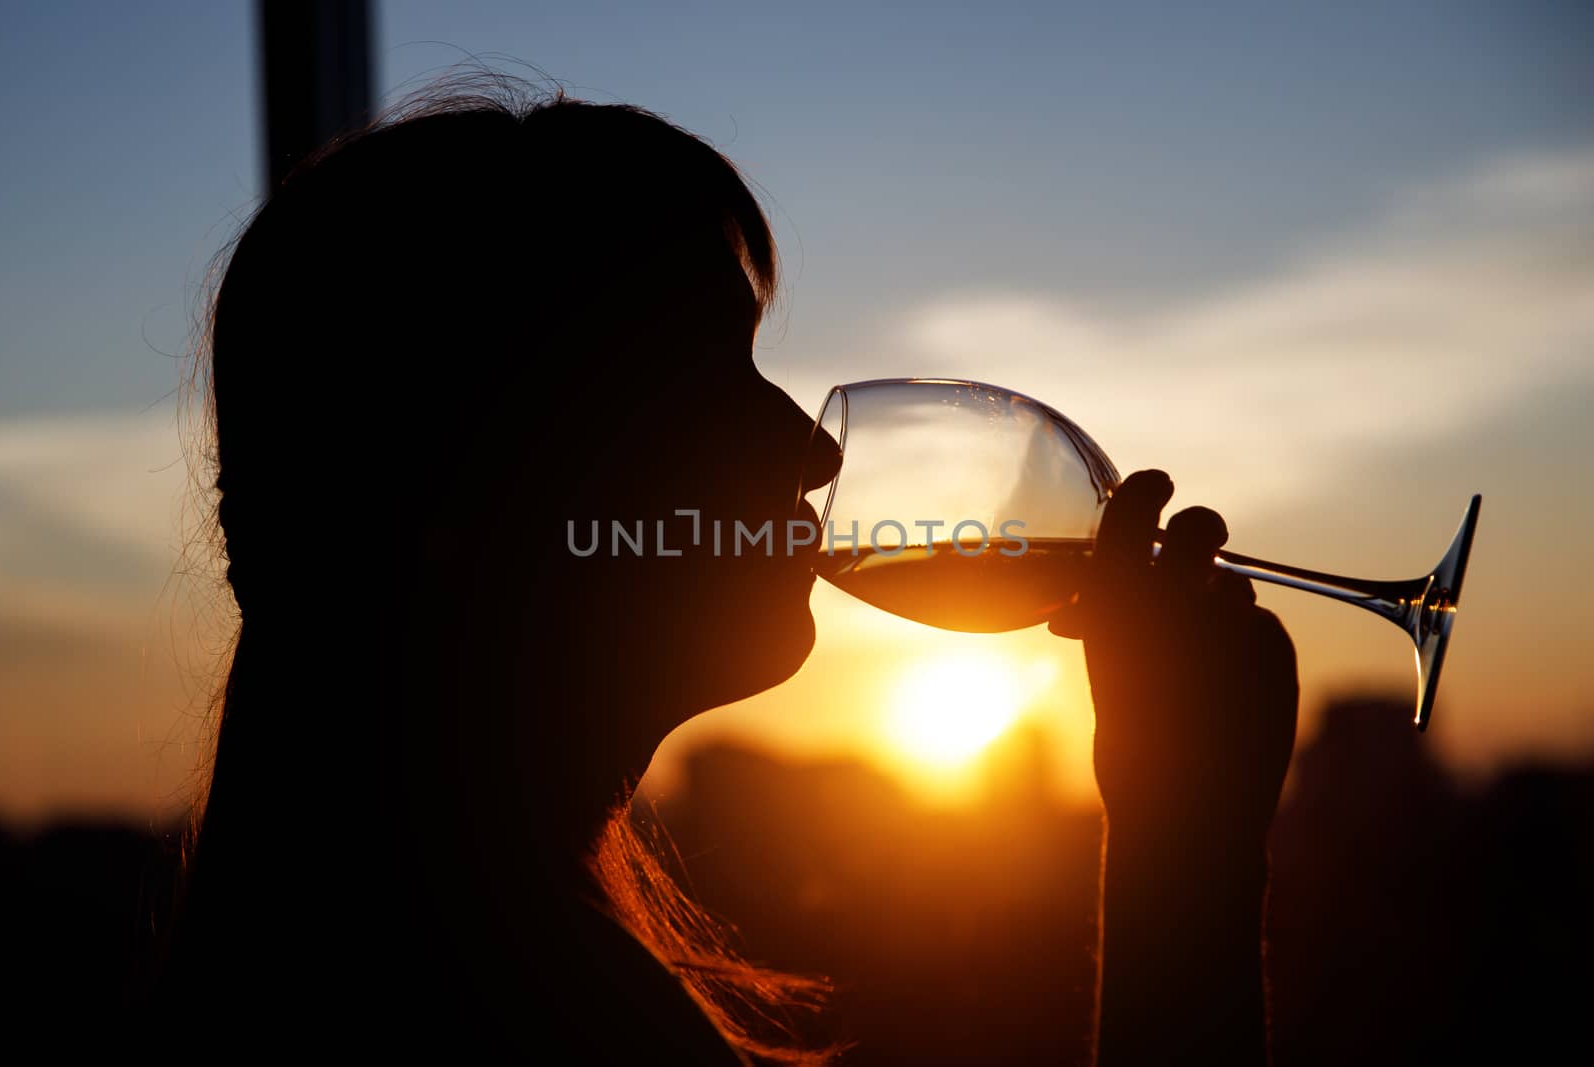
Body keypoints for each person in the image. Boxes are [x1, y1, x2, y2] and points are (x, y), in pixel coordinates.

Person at [159, 85, 1298, 1065]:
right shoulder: (524, 1014)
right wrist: (1186, 852)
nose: (816, 450)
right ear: (479, 472)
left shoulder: (338, 960)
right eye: (699, 376)